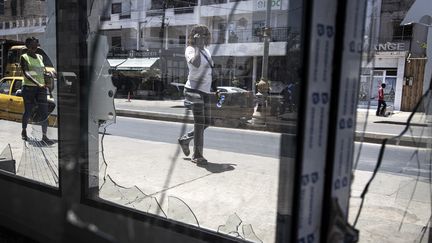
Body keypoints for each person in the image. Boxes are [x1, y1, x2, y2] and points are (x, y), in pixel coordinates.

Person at [178, 25, 214, 165]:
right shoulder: (190, 50)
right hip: (193, 90)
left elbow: (208, 70)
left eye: (205, 35)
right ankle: (197, 155)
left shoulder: (207, 50)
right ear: (194, 36)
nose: (203, 37)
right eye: (200, 35)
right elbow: (196, 64)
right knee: (199, 122)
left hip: (205, 91)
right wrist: (198, 47)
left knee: (207, 122)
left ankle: (185, 139)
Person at [20, 37, 53, 144]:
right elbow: (26, 73)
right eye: (32, 45)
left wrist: (48, 76)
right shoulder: (24, 57)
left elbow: (41, 72)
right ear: (27, 46)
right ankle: (24, 131)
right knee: (28, 111)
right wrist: (37, 83)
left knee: (44, 112)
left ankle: (44, 136)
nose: (35, 47)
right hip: (29, 88)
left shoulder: (40, 57)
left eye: (36, 45)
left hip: (41, 88)